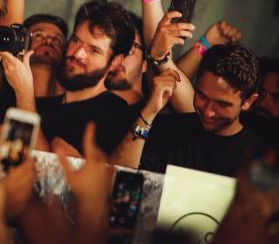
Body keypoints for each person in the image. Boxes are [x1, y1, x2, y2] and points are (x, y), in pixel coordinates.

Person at [4, 0, 137, 155]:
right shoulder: (42, 105)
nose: (78, 53)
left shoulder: (114, 112)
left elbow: (51, 169)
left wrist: (24, 95)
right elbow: (10, 158)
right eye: (75, 41)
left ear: (115, 61)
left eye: (94, 50)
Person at [111, 44, 262, 177]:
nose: (208, 112)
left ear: (248, 101)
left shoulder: (258, 158)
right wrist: (149, 111)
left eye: (222, 104)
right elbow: (116, 178)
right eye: (202, 96)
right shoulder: (171, 130)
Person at [104, 12, 147, 106]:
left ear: (145, 63)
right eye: (114, 47)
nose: (118, 57)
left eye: (129, 48)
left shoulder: (157, 110)